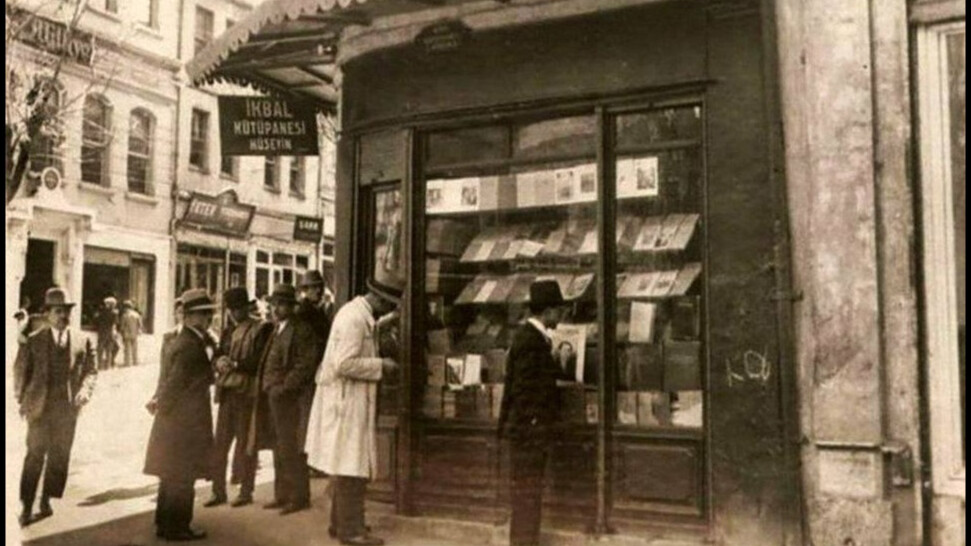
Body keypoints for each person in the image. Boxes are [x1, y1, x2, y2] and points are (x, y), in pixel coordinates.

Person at [305, 277, 402, 546]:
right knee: (351, 468)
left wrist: (386, 323)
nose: (386, 311)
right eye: (388, 306)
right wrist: (381, 365)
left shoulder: (356, 313)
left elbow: (363, 335)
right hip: (345, 404)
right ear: (380, 300)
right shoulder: (354, 320)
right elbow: (344, 363)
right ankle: (352, 531)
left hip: (347, 402)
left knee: (347, 464)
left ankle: (341, 524)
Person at [14, 287, 97, 527]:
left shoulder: (83, 340)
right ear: (48, 314)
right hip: (39, 409)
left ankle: (47, 499)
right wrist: (22, 401)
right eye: (58, 311)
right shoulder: (34, 341)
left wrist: (85, 391)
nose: (64, 316)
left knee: (59, 457)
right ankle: (27, 504)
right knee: (34, 456)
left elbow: (91, 371)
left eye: (67, 311)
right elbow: (20, 372)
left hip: (67, 410)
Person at [498, 279, 572, 546]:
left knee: (527, 491)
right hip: (529, 431)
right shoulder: (531, 341)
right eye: (558, 311)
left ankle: (526, 541)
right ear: (548, 311)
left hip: (526, 429)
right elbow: (524, 389)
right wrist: (535, 422)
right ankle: (524, 542)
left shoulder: (531, 337)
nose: (560, 317)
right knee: (527, 492)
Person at [144, 289, 218, 541]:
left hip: (175, 420)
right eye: (202, 314)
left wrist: (161, 406)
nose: (208, 318)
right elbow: (176, 383)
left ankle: (165, 523)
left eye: (209, 313)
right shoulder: (190, 345)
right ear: (187, 317)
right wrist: (163, 405)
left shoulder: (189, 340)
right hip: (186, 422)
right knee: (183, 477)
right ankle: (179, 527)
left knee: (170, 474)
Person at [205, 287, 273, 508]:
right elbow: (217, 354)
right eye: (231, 309)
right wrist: (219, 362)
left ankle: (246, 490)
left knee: (246, 445)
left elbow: (259, 362)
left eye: (238, 309)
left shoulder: (262, 329)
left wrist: (234, 364)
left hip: (247, 395)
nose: (234, 313)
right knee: (220, 446)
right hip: (228, 394)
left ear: (246, 307)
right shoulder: (227, 331)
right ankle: (218, 491)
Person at [258, 284, 318, 515]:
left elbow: (305, 364)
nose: (276, 308)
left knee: (292, 448)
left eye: (281, 304)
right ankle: (281, 494)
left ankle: (298, 497)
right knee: (278, 447)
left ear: (291, 307)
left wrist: (284, 387)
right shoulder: (277, 329)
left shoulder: (302, 330)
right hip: (274, 397)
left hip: (290, 399)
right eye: (274, 304)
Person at [297, 270, 333, 479]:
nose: (318, 291)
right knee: (309, 418)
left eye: (319, 287)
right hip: (311, 372)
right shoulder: (305, 313)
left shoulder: (316, 311)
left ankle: (314, 461)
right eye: (313, 287)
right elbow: (309, 343)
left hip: (318, 370)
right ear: (305, 290)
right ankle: (310, 462)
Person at [95, 296, 119, 370]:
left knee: (100, 349)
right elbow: (116, 323)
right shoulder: (115, 313)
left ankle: (100, 365)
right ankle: (108, 366)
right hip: (110, 332)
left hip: (102, 332)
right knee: (109, 350)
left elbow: (96, 320)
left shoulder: (101, 312)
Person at [119, 300, 143, 367]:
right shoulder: (136, 315)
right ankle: (135, 361)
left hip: (126, 334)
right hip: (134, 333)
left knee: (127, 349)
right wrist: (139, 330)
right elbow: (140, 324)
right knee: (134, 348)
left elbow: (122, 326)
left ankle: (127, 363)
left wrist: (121, 332)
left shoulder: (125, 315)